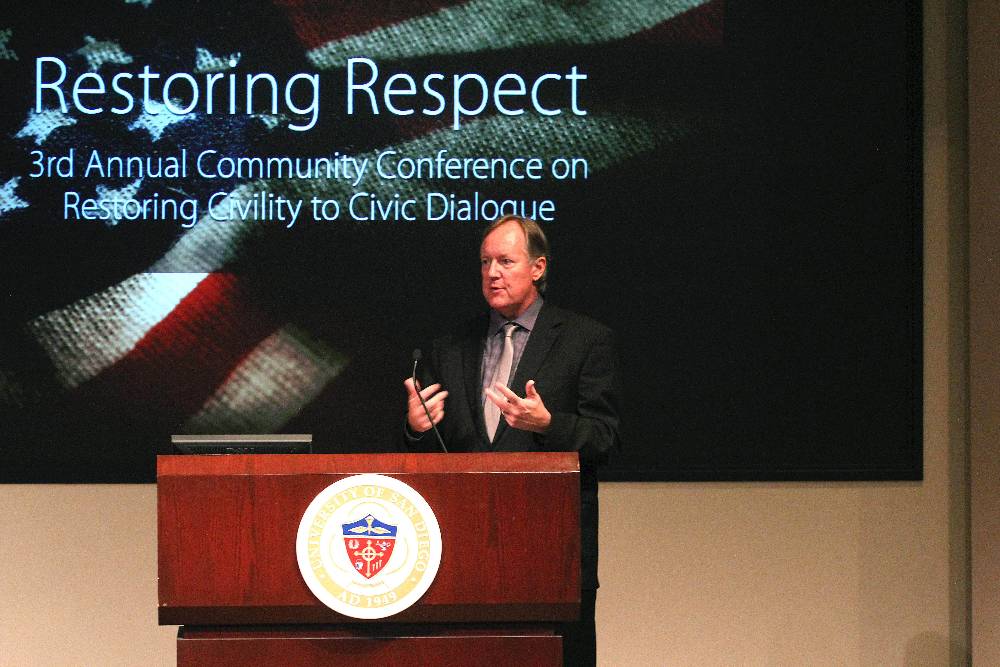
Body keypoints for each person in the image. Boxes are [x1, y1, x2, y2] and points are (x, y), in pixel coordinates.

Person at [403, 214, 621, 666]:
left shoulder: (585, 340)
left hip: (550, 552)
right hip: (461, 555)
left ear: (538, 268)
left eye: (505, 261)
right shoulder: (450, 347)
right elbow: (438, 456)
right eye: (485, 262)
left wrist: (548, 424)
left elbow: (606, 439)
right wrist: (419, 429)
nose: (492, 273)